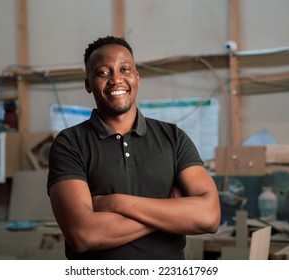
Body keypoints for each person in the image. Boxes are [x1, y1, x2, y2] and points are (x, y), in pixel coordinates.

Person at [47, 35, 220, 260]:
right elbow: (83, 234)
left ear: (137, 78)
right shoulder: (69, 143)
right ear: (88, 83)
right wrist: (171, 210)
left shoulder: (173, 138)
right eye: (103, 72)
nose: (116, 79)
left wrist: (116, 203)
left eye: (125, 69)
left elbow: (209, 216)